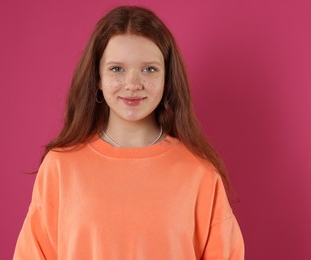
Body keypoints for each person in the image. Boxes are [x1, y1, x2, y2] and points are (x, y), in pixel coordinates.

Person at [13, 5, 244, 260]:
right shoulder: (61, 168)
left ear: (168, 78)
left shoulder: (199, 172)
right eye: (117, 69)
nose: (133, 84)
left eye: (149, 69)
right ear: (97, 77)